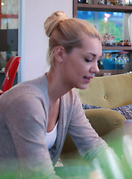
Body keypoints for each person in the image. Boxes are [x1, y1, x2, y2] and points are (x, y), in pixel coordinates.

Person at [0, 11, 114, 178]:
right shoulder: (27, 102)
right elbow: (40, 175)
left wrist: (119, 169)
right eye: (89, 59)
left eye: (97, 60)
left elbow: (93, 146)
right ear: (60, 54)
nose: (96, 69)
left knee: (84, 172)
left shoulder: (69, 97)